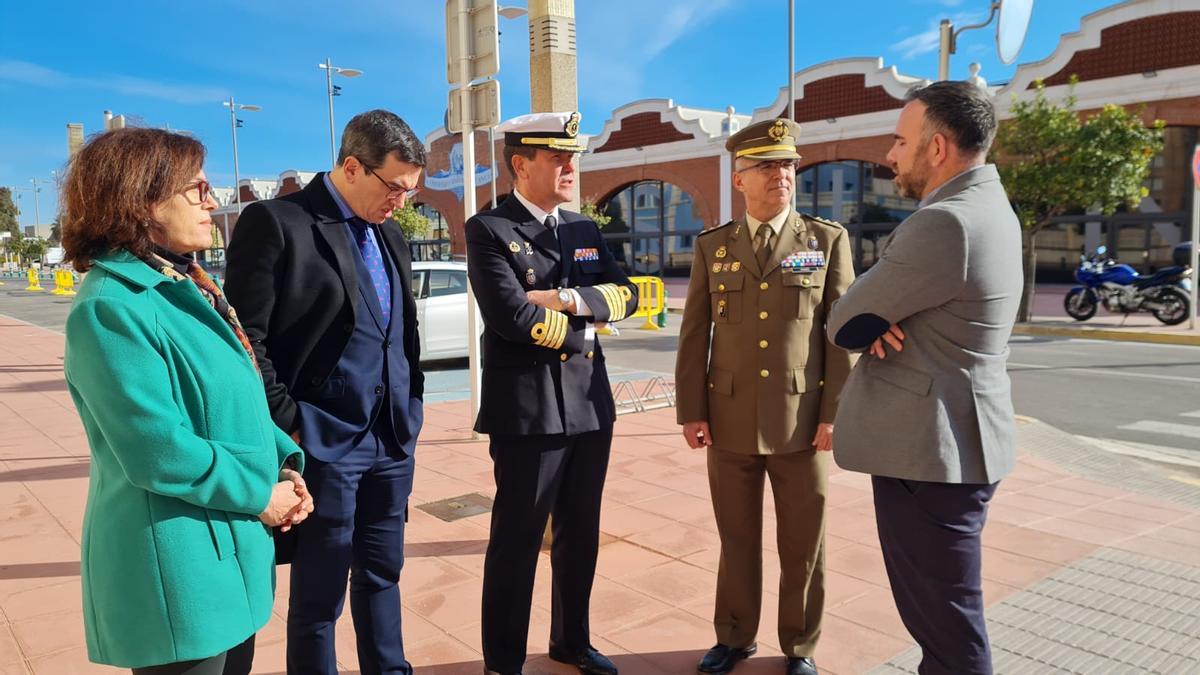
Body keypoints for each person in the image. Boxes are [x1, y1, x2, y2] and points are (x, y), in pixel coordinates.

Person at [60, 127, 312, 674]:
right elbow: (160, 451)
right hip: (177, 563)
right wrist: (260, 495)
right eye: (196, 188)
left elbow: (237, 402)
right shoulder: (111, 309)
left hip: (227, 544)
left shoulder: (188, 285)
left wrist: (285, 466)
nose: (212, 200)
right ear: (141, 199)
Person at [826, 81, 1022, 675]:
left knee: (947, 630)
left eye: (900, 139)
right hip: (958, 448)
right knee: (947, 620)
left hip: (931, 459)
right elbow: (866, 318)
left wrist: (872, 313)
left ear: (936, 149)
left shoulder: (944, 223)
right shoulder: (990, 205)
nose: (890, 154)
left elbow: (843, 322)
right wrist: (875, 314)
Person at [223, 109, 426, 675]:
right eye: (395, 187)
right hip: (322, 443)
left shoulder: (389, 233)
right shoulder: (277, 222)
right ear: (352, 166)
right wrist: (291, 424)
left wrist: (412, 404)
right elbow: (246, 342)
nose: (402, 203)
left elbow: (402, 334)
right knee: (318, 597)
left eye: (411, 191)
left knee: (384, 574)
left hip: (390, 440)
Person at [675, 119, 856, 675]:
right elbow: (694, 332)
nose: (780, 174)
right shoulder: (714, 246)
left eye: (787, 165)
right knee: (737, 537)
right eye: (767, 166)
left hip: (802, 420)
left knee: (804, 543)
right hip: (727, 419)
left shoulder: (826, 241)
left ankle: (799, 645)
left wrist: (835, 416)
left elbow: (840, 338)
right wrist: (691, 411)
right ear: (739, 179)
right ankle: (733, 636)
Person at [466, 111, 638, 675]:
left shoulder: (583, 229)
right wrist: (589, 314)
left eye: (573, 157)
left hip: (590, 404)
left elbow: (631, 295)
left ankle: (571, 640)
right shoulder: (489, 229)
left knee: (579, 534)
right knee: (516, 542)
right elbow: (512, 318)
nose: (570, 166)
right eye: (557, 157)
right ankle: (503, 661)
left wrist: (564, 299)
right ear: (521, 164)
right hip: (529, 411)